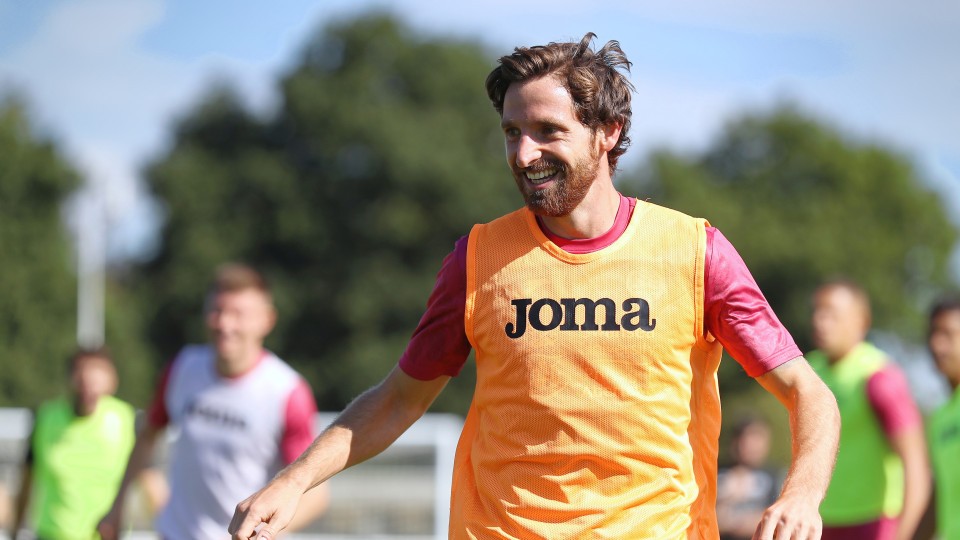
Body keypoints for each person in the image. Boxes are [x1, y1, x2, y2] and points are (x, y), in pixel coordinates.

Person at [229, 33, 840, 540]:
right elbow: (396, 401)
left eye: (547, 130)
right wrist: (292, 481)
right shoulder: (478, 257)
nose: (524, 154)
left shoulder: (695, 252)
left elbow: (807, 394)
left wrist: (802, 496)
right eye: (511, 132)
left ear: (607, 131)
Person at [98, 263, 328, 540]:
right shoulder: (182, 368)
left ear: (267, 320)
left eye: (238, 314)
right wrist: (117, 506)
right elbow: (146, 438)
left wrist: (263, 532)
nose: (224, 324)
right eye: (217, 311)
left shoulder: (287, 391)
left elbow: (315, 495)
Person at [806, 279, 930, 540]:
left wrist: (901, 535)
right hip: (820, 521)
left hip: (874, 523)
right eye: (817, 312)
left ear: (861, 321)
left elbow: (916, 466)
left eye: (831, 314)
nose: (820, 321)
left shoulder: (878, 378)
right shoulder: (808, 371)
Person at [9, 347, 136, 540]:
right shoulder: (46, 417)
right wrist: (14, 530)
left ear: (112, 382)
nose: (88, 386)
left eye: (95, 378)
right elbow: (27, 480)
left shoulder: (125, 420)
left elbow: (149, 478)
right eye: (82, 376)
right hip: (51, 535)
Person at [919, 296, 960, 539]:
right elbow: (937, 497)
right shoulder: (941, 415)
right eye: (933, 334)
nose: (937, 345)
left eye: (948, 335)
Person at [716, 416, 783, 540]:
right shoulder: (716, 471)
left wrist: (731, 519)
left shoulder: (777, 476)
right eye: (744, 438)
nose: (749, 445)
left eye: (756, 439)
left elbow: (778, 519)